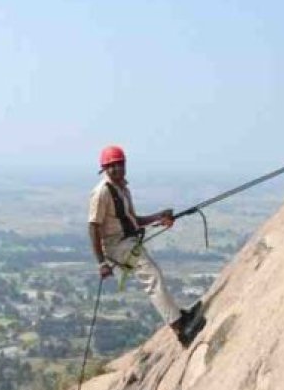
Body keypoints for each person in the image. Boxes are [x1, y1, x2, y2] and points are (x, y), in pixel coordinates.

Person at [88, 145, 205, 347]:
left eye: (119, 164)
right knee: (152, 277)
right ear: (104, 169)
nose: (116, 169)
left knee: (155, 274)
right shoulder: (102, 193)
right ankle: (180, 329)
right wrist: (101, 263)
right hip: (117, 246)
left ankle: (179, 317)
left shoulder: (122, 189)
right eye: (111, 166)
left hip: (127, 240)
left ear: (124, 165)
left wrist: (159, 216)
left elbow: (133, 220)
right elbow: (93, 227)